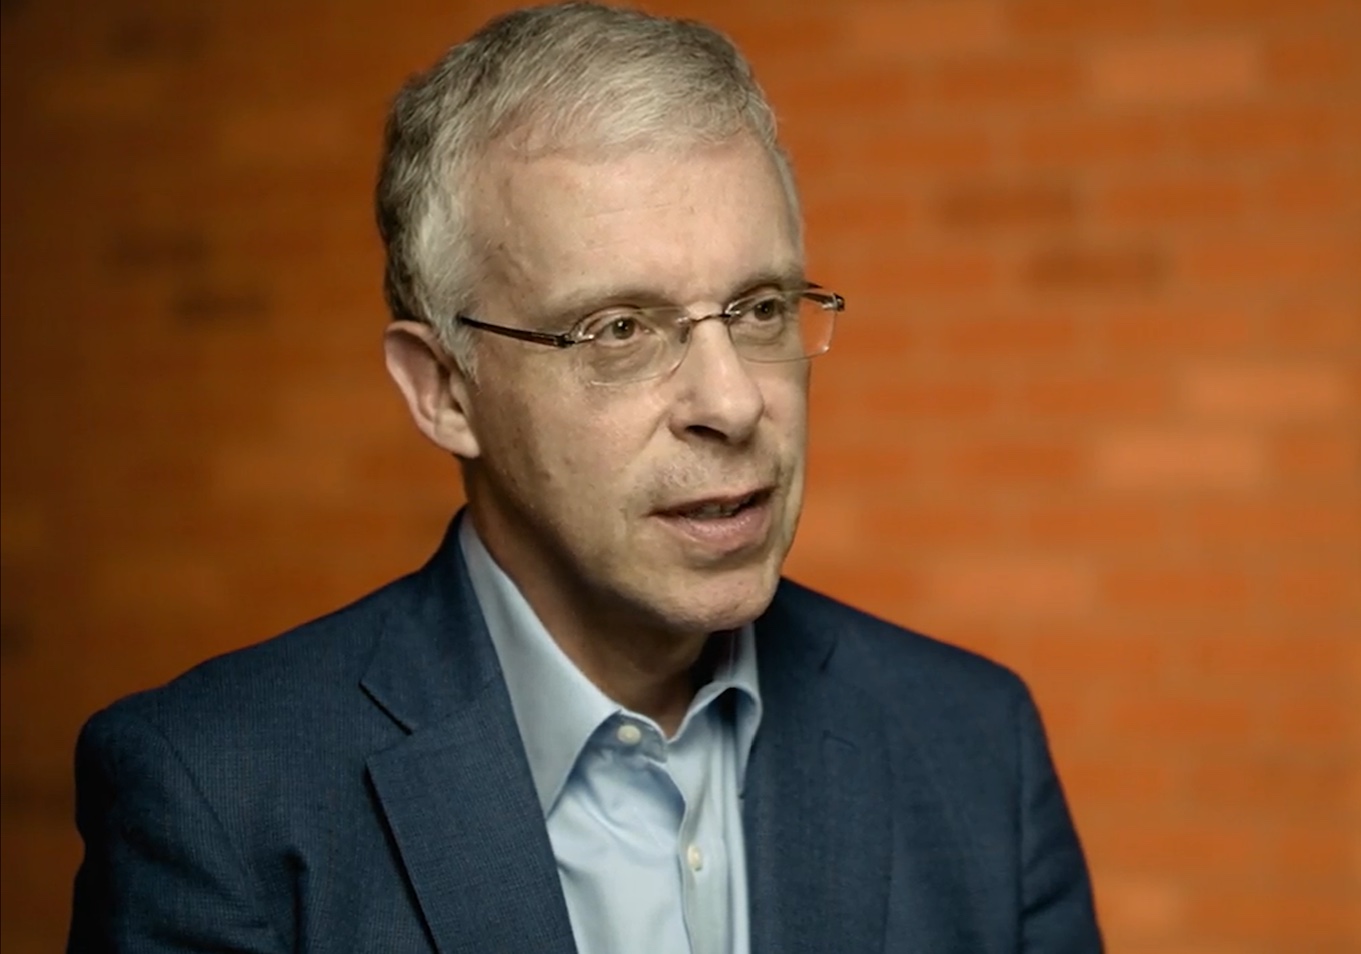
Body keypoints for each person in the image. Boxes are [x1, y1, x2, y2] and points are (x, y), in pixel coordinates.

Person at [67, 3, 1103, 951]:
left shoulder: (976, 749)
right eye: (618, 330)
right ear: (445, 390)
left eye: (759, 309)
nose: (733, 401)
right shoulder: (217, 795)